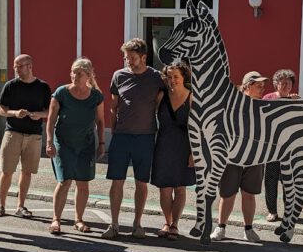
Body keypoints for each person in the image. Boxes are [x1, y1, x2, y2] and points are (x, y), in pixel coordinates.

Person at [103, 38, 165, 239]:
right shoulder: (119, 76)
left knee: (141, 182)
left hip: (145, 137)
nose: (127, 60)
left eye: (131, 57)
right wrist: (114, 130)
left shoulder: (156, 77)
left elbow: (158, 103)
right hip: (121, 136)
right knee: (117, 181)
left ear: (143, 57)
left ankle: (137, 224)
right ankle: (114, 224)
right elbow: (114, 106)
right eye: (125, 57)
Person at [45, 59, 105, 235]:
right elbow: (50, 119)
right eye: (73, 72)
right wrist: (49, 141)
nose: (74, 76)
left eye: (79, 73)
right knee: (65, 181)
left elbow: (100, 121)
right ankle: (56, 219)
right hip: (63, 143)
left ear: (88, 75)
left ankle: (79, 219)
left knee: (83, 183)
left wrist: (101, 143)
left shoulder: (96, 96)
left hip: (86, 144)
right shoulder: (61, 93)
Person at [211, 72, 269, 243]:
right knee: (227, 194)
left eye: (262, 86)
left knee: (249, 194)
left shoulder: (264, 107)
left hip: (255, 157)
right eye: (258, 85)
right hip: (233, 156)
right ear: (247, 86)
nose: (262, 89)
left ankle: (248, 230)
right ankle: (220, 228)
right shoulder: (232, 104)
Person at [0, 54, 51, 219]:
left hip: (34, 136)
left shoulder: (43, 87)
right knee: (6, 171)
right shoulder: (11, 86)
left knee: (27, 172)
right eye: (15, 66)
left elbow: (50, 111)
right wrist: (14, 113)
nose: (16, 69)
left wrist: (39, 115)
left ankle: (21, 206)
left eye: (20, 66)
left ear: (30, 66)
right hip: (13, 133)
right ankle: (1, 205)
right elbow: (0, 109)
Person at [152, 61, 195, 240]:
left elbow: (197, 128)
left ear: (183, 77)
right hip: (163, 144)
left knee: (180, 188)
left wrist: (194, 152)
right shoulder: (161, 96)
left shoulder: (192, 97)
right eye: (169, 77)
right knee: (164, 189)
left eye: (176, 76)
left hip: (185, 146)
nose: (172, 80)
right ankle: (167, 222)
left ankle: (175, 224)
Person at [261, 69, 301, 223]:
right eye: (283, 83)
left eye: (289, 83)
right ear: (276, 84)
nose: (286, 86)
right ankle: (272, 211)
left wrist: (297, 104)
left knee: (288, 180)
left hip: (289, 148)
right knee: (270, 179)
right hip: (271, 146)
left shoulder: (295, 100)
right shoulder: (267, 98)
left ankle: (289, 211)